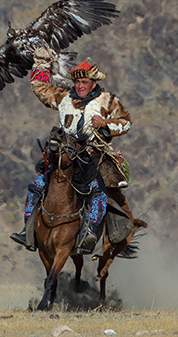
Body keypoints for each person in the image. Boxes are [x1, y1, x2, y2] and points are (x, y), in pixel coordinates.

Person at [10, 45, 132, 254]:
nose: (80, 85)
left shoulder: (109, 100)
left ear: (93, 82)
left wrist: (105, 124)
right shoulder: (63, 97)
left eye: (84, 82)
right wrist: (41, 64)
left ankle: (91, 233)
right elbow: (40, 88)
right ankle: (28, 231)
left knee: (98, 192)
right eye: (77, 81)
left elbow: (126, 122)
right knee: (36, 186)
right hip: (63, 155)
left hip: (92, 155)